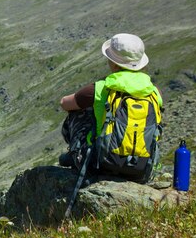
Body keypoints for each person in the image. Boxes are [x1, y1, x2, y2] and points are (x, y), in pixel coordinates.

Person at [58, 33, 162, 171]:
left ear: (114, 63)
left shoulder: (101, 88)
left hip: (101, 164)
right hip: (142, 168)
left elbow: (64, 103)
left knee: (78, 111)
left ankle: (76, 154)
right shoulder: (154, 92)